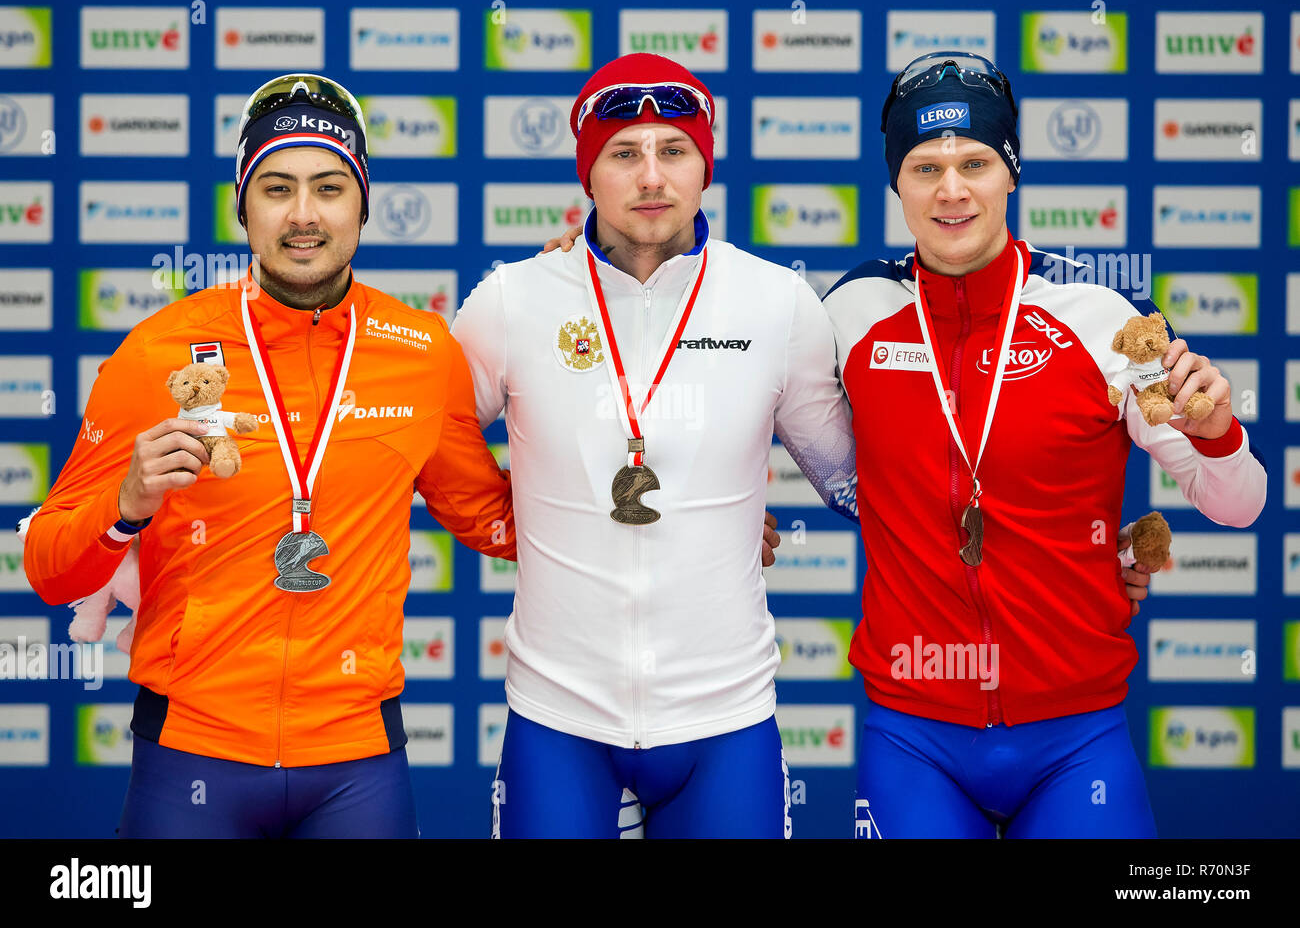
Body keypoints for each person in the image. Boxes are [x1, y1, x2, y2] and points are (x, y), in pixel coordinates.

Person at [24, 74, 517, 838]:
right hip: (191, 754)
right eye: (277, 187)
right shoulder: (158, 351)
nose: (304, 215)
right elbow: (49, 570)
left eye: (328, 187)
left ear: (362, 204)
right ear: (241, 208)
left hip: (358, 764)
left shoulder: (424, 354)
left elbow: (497, 522)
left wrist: (682, 515)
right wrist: (123, 509)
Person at [820, 52, 1267, 837]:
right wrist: (576, 274)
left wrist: (1218, 434)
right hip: (913, 733)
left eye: (975, 163)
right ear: (897, 183)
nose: (952, 189)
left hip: (1076, 740)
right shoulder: (850, 311)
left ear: (1011, 173)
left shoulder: (1110, 317)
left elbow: (1237, 503)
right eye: (925, 167)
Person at [451, 53, 858, 838]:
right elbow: (422, 448)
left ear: (705, 166)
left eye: (673, 150)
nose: (650, 176)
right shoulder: (512, 301)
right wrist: (518, 519)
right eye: (623, 153)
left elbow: (859, 485)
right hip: (557, 716)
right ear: (588, 174)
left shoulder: (776, 304)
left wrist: (1055, 546)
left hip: (725, 716)